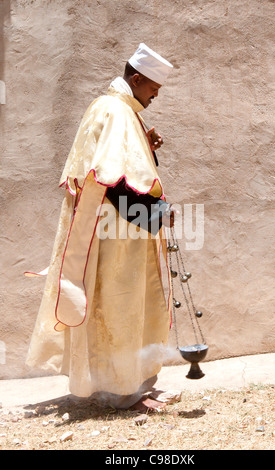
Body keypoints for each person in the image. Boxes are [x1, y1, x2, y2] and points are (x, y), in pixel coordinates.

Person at [26, 43, 175, 411]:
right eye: (152, 91)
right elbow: (111, 181)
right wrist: (156, 211)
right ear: (137, 79)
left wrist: (148, 146)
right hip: (113, 237)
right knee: (118, 308)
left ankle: (127, 387)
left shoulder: (114, 108)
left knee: (121, 308)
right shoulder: (116, 111)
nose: (154, 99)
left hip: (115, 232)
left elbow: (122, 166)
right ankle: (120, 393)